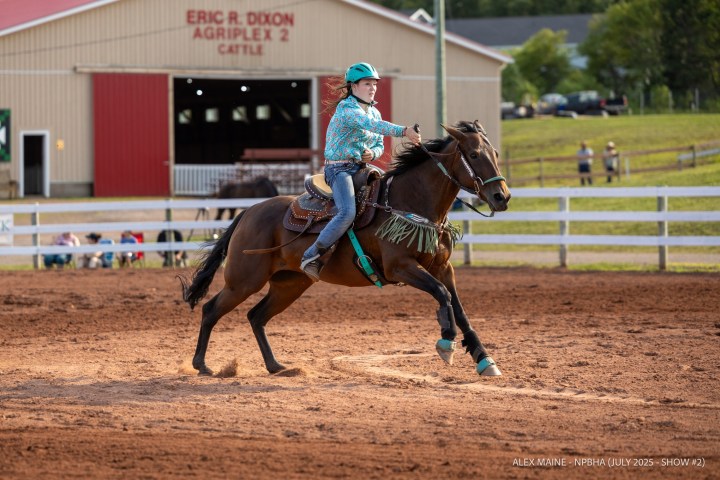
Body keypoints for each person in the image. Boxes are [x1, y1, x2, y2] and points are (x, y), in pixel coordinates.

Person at [299, 62, 421, 281]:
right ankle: (312, 255)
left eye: (374, 84)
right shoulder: (348, 109)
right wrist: (404, 131)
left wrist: (371, 155)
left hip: (362, 167)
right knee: (347, 211)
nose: (372, 87)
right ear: (353, 86)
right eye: (367, 83)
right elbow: (374, 126)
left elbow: (379, 145)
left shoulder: (374, 111)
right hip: (339, 169)